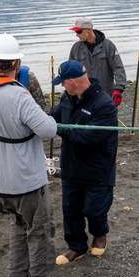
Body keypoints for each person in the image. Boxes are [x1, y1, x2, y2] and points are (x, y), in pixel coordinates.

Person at [0, 33, 69, 277]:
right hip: (24, 179)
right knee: (40, 231)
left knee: (18, 227)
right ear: (15, 64)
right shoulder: (18, 96)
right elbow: (49, 129)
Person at [49, 60, 118, 264]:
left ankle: (99, 233)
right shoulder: (67, 98)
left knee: (94, 210)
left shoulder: (104, 105)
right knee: (70, 209)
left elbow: (86, 138)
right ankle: (76, 246)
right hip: (71, 166)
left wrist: (56, 128)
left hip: (97, 168)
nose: (61, 86)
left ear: (73, 81)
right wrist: (41, 120)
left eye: (63, 82)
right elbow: (54, 115)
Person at [68, 17, 127, 109]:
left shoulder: (108, 46)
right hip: (84, 97)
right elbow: (70, 72)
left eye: (79, 32)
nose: (76, 35)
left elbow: (118, 67)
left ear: (89, 30)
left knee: (107, 122)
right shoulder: (76, 48)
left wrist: (119, 89)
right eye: (75, 32)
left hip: (106, 95)